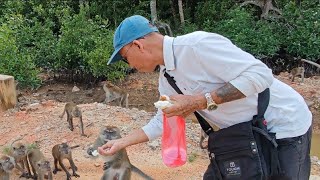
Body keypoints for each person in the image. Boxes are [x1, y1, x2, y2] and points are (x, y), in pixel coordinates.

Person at [98, 15, 312, 180]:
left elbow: (261, 75)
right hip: (244, 135)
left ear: (138, 45)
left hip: (284, 125)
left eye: (126, 58)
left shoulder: (197, 46)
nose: (130, 65)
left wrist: (200, 101)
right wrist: (121, 143)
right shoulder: (167, 77)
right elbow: (162, 120)